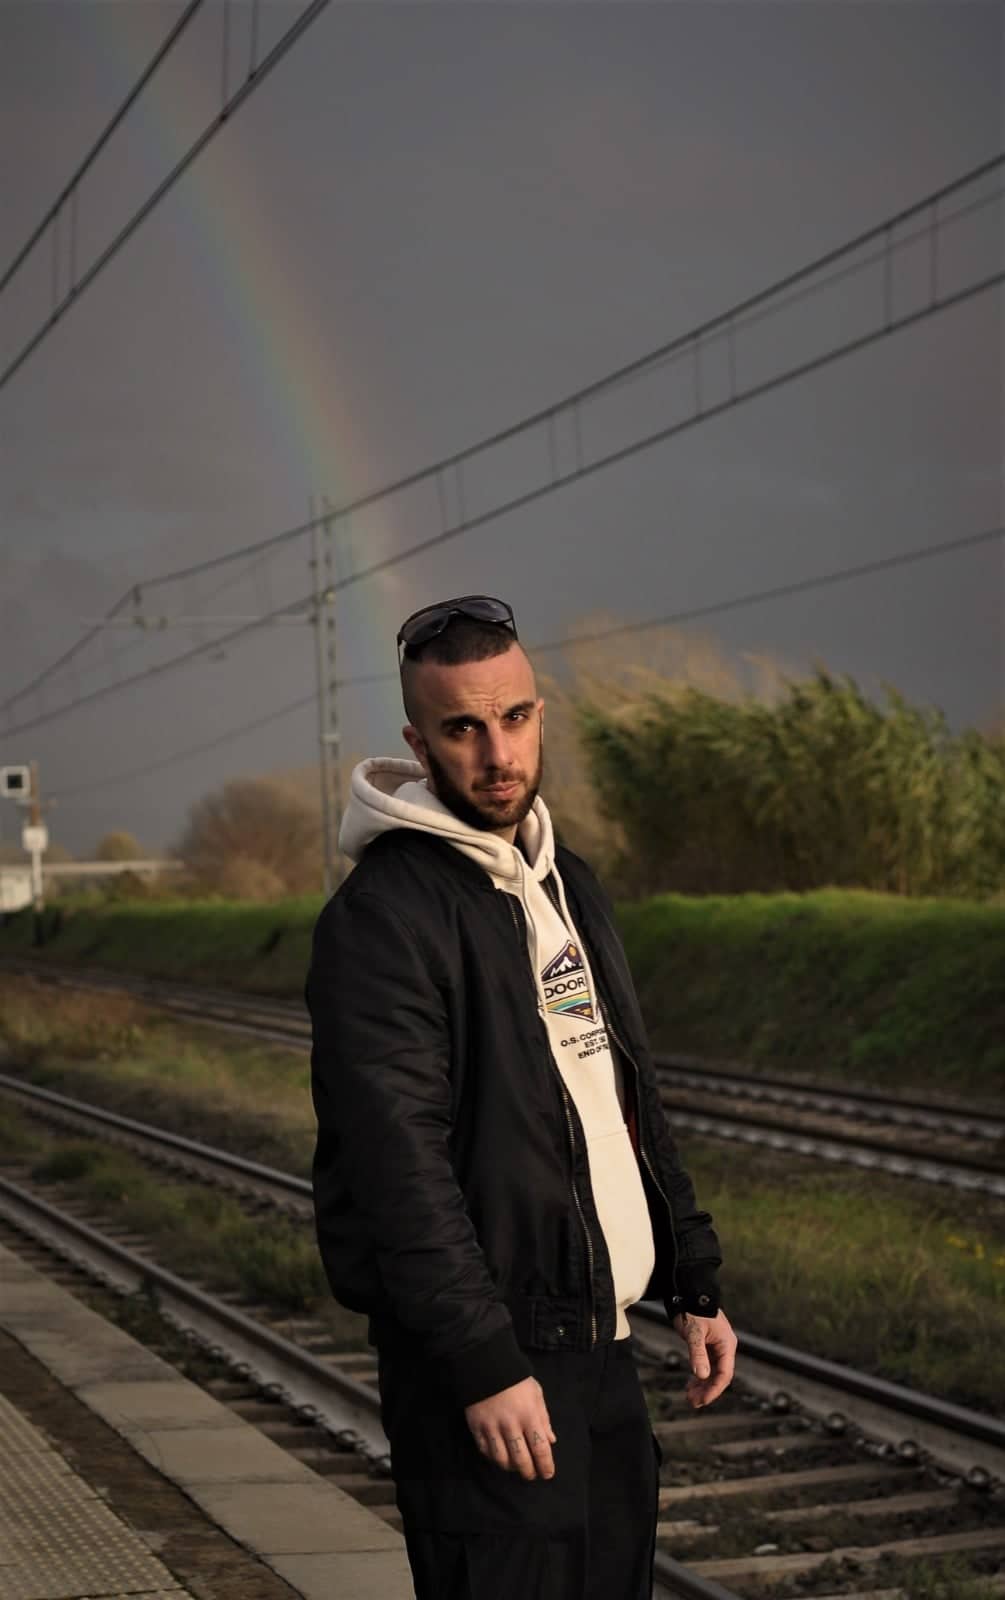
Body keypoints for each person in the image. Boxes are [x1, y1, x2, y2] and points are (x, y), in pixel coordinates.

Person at [308, 594, 736, 1600]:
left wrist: (692, 1278)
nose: (497, 754)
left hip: (600, 1347)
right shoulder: (384, 918)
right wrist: (481, 1362)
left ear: (540, 715)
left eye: (513, 718)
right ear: (419, 744)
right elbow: (398, 1168)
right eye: (462, 728)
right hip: (495, 1361)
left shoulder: (563, 881)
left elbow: (620, 1092)